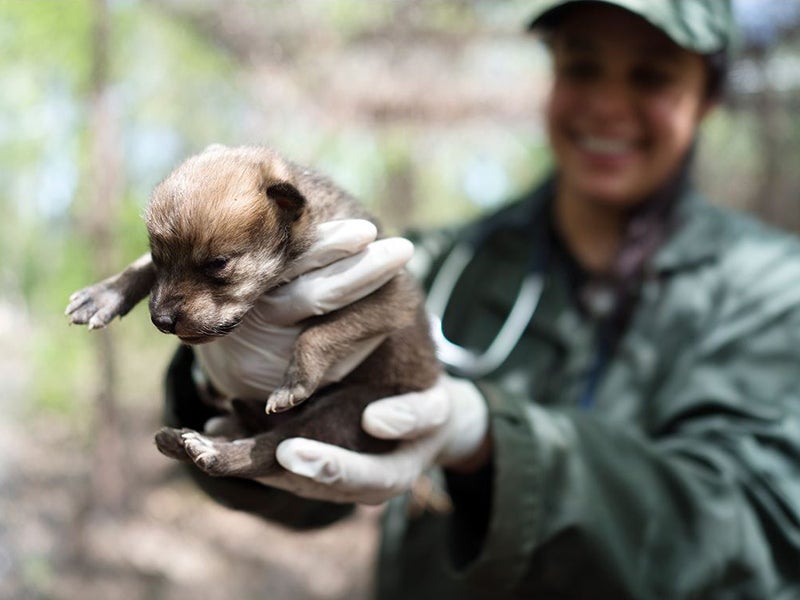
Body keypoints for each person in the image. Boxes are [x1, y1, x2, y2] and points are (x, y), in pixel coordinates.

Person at [163, 1, 800, 597]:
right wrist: (227, 382)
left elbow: (762, 529)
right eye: (581, 67)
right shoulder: (435, 263)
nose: (608, 104)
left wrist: (490, 442)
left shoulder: (773, 287)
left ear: (709, 98)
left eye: (652, 77)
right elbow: (307, 494)